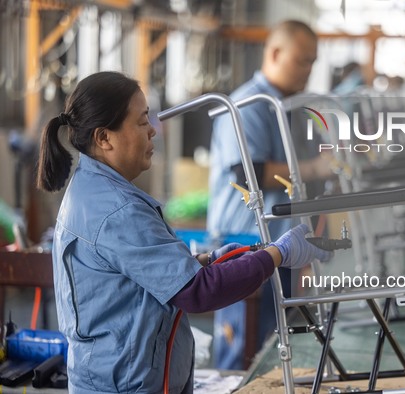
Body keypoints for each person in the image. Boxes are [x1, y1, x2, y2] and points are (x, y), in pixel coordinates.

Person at [36, 71, 332, 393]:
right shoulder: (117, 210)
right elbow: (198, 292)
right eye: (141, 122)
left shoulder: (94, 190)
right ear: (104, 138)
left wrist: (205, 261)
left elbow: (137, 280)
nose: (152, 131)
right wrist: (279, 253)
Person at [207, 20, 333, 369]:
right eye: (302, 60)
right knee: (240, 350)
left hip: (280, 247)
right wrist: (316, 168)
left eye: (312, 62)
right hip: (243, 244)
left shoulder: (288, 107)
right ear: (275, 53)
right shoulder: (248, 104)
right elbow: (247, 173)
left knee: (273, 350)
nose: (308, 70)